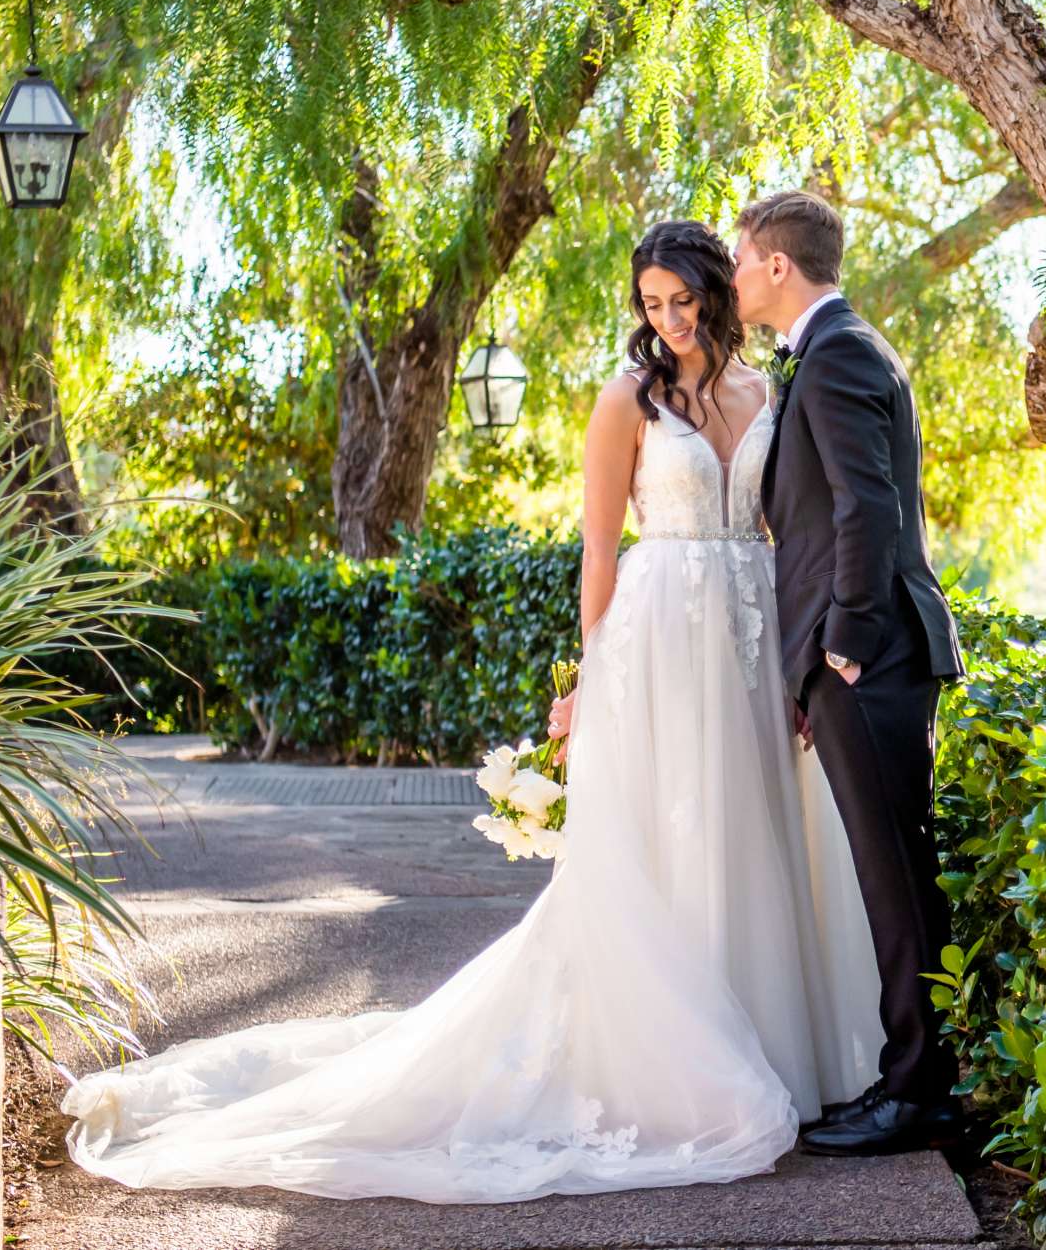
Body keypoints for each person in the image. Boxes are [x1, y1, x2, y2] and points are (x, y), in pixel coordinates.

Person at [61, 221, 883, 1203]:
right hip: (658, 641)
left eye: (682, 299)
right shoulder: (625, 401)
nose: (667, 319)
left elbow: (784, 526)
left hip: (750, 636)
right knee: (657, 846)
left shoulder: (768, 395)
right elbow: (598, 554)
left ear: (717, 290)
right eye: (651, 304)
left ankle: (766, 1041)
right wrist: (593, 672)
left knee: (746, 829)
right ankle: (672, 1063)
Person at [731, 190, 967, 1158]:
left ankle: (919, 1096)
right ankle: (913, 1080)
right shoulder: (834, 351)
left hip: (869, 657)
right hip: (849, 658)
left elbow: (869, 508)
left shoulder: (840, 354)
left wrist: (848, 641)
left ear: (778, 265)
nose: (734, 275)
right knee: (893, 876)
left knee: (898, 879)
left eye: (742, 259)